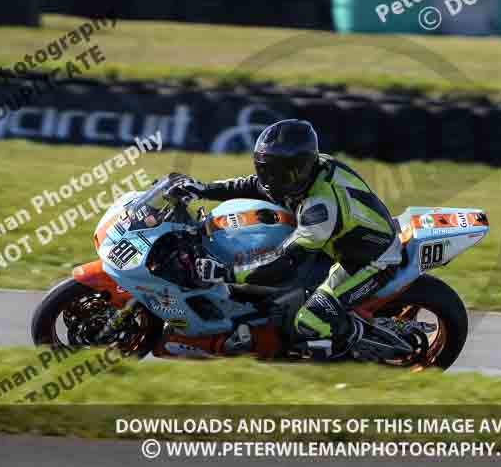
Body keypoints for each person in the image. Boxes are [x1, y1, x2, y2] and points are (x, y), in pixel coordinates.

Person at [166, 119, 402, 358]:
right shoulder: (305, 175)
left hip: (370, 260)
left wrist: (225, 273)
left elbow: (283, 262)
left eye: (277, 172)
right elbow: (252, 185)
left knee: (310, 321)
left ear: (300, 168)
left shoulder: (320, 210)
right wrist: (203, 189)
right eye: (265, 169)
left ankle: (349, 349)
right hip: (338, 241)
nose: (269, 179)